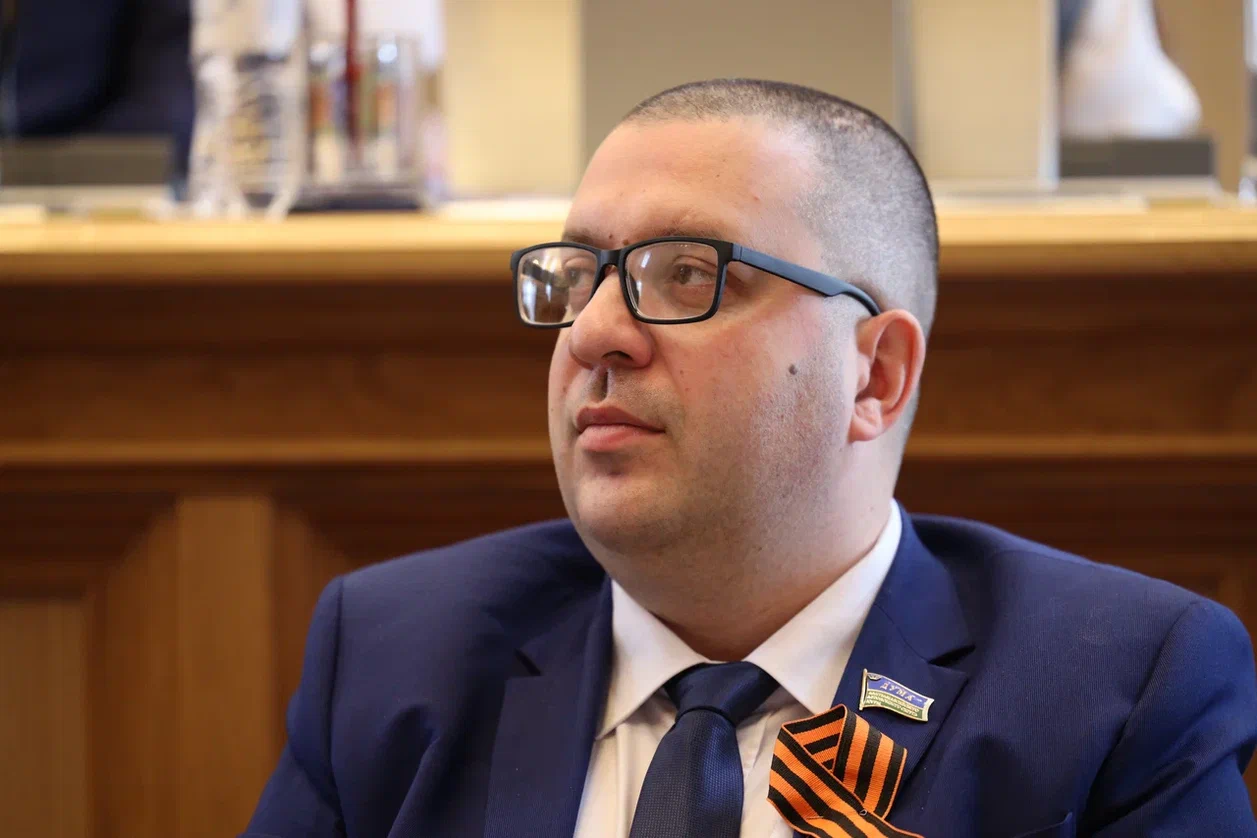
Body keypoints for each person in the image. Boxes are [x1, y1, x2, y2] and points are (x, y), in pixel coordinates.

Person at [242, 79, 1257, 837]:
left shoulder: (1113, 691)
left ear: (875, 374)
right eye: (580, 276)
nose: (593, 333)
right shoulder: (393, 656)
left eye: (688, 274)